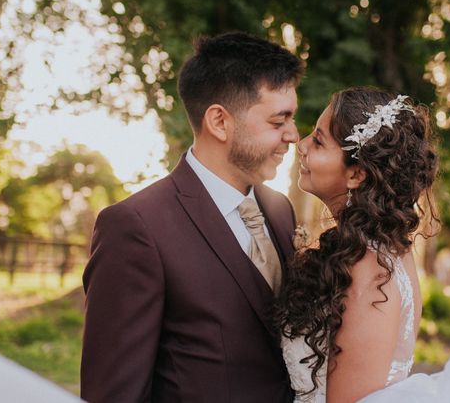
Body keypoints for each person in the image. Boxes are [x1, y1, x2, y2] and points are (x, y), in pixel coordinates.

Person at [81, 32, 303, 402]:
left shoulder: (281, 211)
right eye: (278, 122)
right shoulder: (136, 227)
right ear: (219, 121)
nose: (293, 136)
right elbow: (113, 394)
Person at [276, 87, 439, 403]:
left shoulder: (371, 271)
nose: (302, 145)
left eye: (319, 141)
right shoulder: (377, 251)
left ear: (356, 174)